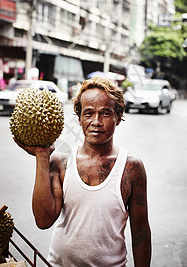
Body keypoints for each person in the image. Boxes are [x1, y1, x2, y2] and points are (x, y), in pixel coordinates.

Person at [15, 76, 151, 267]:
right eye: (88, 113)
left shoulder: (131, 168)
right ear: (78, 118)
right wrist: (42, 156)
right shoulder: (61, 162)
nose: (96, 121)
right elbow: (43, 220)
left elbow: (141, 232)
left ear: (118, 117)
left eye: (105, 113)